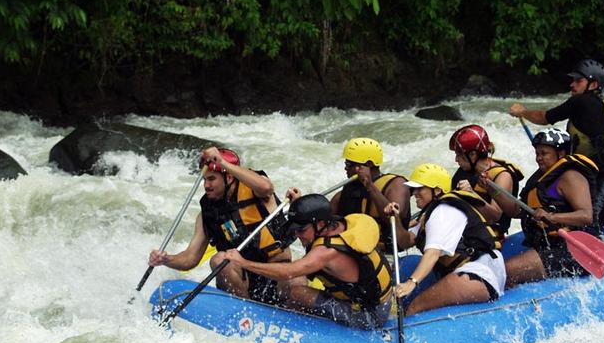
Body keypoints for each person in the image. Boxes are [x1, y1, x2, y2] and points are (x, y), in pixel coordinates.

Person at [223, 192, 393, 329]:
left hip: (368, 316)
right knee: (295, 285)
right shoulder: (340, 225)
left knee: (297, 292)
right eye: (296, 230)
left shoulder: (325, 252)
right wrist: (301, 206)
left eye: (302, 230)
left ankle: (288, 328)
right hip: (377, 301)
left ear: (320, 224)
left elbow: (288, 272)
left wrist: (242, 263)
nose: (297, 235)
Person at [148, 147, 294, 304]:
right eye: (204, 180)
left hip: (277, 271)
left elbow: (266, 188)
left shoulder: (255, 190)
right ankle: (246, 312)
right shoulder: (207, 214)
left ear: (229, 177)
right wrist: (166, 259)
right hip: (242, 280)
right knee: (218, 260)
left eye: (211, 179)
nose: (206, 185)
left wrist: (222, 163)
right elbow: (190, 259)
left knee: (298, 278)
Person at [509, 59, 604, 228]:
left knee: (589, 225)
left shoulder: (581, 102)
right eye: (573, 80)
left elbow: (545, 118)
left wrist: (522, 112)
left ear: (593, 85)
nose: (572, 84)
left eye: (578, 81)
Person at [385, 163, 505, 316]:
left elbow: (433, 253)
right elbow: (406, 241)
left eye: (420, 188)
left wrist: (411, 283)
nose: (415, 193)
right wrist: (394, 219)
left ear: (437, 190)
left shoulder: (444, 210)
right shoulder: (429, 214)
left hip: (480, 273)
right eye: (414, 189)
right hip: (473, 272)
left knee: (415, 306)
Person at [504, 129, 599, 286]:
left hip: (575, 249)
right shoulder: (540, 179)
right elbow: (516, 211)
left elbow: (586, 216)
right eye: (537, 153)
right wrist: (492, 190)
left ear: (560, 154)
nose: (538, 158)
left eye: (544, 153)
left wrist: (551, 217)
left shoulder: (571, 177)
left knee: (508, 270)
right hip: (550, 245)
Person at [330, 137, 411, 251]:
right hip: (350, 252)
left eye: (350, 164)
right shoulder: (345, 192)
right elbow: (323, 222)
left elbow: (395, 218)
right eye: (346, 163)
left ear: (368, 164)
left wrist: (369, 185)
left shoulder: (397, 184)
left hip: (384, 254)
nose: (345, 168)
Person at [449, 124, 524, 243]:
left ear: (473, 155)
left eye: (459, 155)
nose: (456, 159)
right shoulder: (464, 170)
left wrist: (471, 195)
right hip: (464, 234)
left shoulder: (502, 175)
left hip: (489, 240)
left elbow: (495, 216)